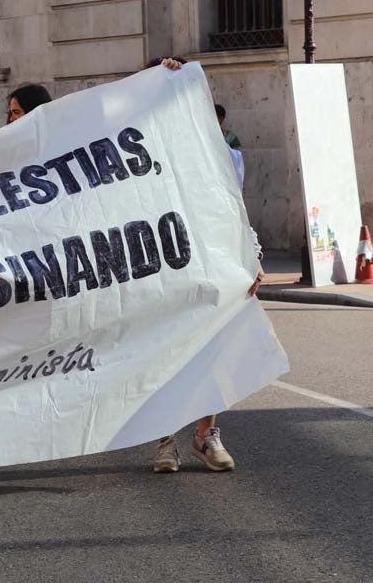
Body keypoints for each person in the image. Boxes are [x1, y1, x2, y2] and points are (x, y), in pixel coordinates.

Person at [146, 56, 262, 474]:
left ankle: (206, 434)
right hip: (160, 267)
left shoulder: (224, 156)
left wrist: (253, 257)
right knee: (164, 353)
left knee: (213, 349)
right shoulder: (132, 159)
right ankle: (165, 439)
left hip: (213, 263)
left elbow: (237, 211)